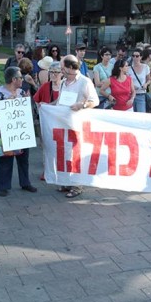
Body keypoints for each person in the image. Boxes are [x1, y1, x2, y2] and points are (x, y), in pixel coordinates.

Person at [0, 66, 37, 197]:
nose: (22, 80)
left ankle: (25, 182)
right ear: (14, 79)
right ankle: (4, 186)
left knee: (24, 158)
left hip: (21, 129)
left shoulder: (22, 92)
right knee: (6, 159)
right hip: (7, 131)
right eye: (20, 77)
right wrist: (6, 103)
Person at [56, 55, 99, 198]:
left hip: (78, 124)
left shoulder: (85, 82)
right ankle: (67, 181)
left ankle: (77, 185)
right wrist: (48, 106)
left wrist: (83, 105)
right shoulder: (63, 82)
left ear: (70, 68)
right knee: (65, 153)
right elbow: (60, 100)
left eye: (63, 68)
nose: (61, 71)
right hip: (63, 124)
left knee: (76, 154)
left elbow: (95, 101)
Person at [130, 48, 151, 113]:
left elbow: (149, 79)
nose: (135, 58)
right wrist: (132, 85)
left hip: (141, 94)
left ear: (141, 57)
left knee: (141, 114)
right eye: (133, 56)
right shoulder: (128, 68)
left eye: (137, 56)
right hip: (130, 95)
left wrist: (146, 84)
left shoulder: (145, 67)